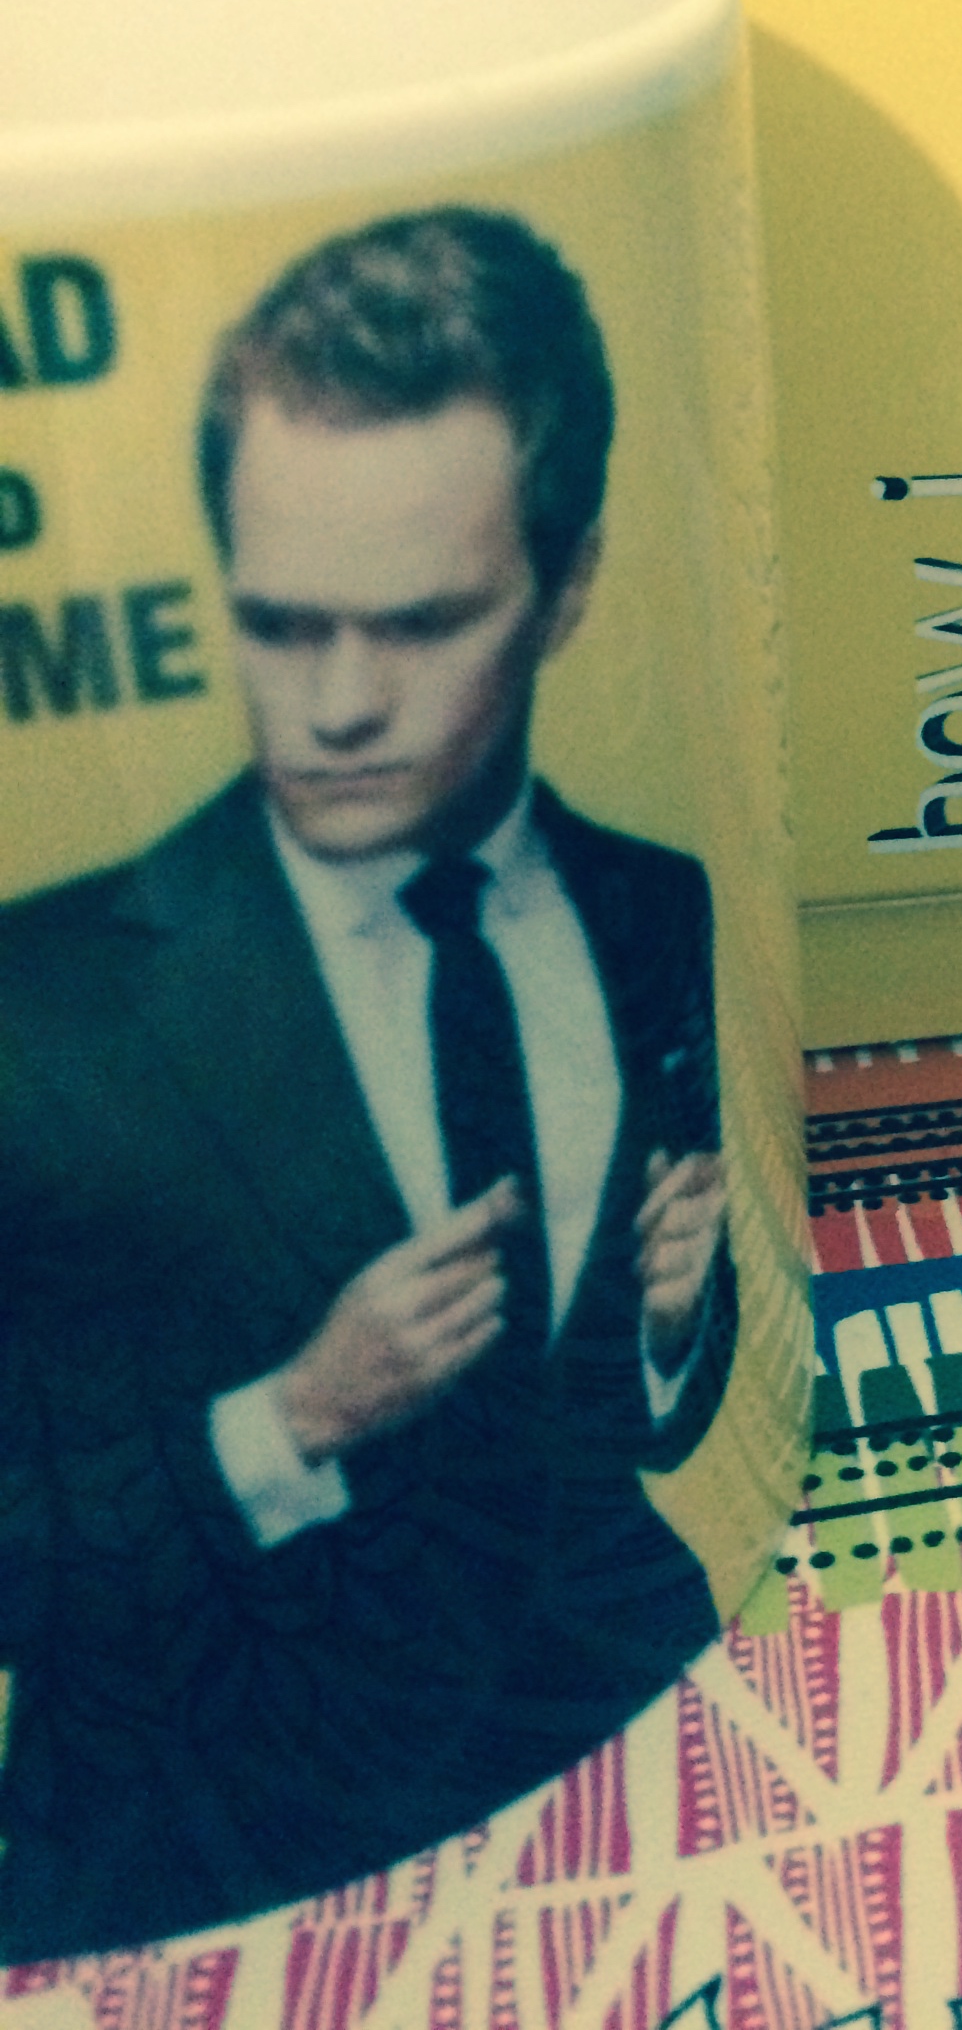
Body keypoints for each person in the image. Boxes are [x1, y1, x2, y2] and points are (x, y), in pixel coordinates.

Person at [0, 209, 737, 1958]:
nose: (334, 707)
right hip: (211, 1835)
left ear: (569, 587)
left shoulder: (655, 908)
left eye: (418, 625)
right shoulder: (46, 1003)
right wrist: (292, 1418)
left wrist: (674, 1323)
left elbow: (638, 1415)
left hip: (640, 1739)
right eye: (279, 625)